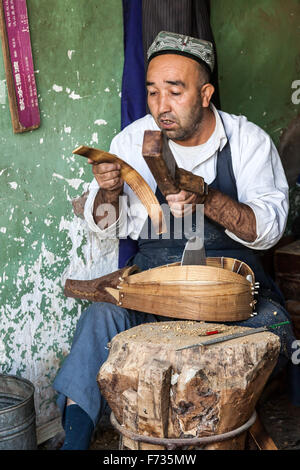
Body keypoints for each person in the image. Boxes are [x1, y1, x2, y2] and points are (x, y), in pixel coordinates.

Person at [53, 31, 295, 450]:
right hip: (153, 288)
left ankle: (218, 435)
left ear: (205, 93)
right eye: (151, 93)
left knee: (272, 331)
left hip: (233, 296)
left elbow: (269, 230)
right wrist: (109, 191)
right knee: (98, 322)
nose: (160, 106)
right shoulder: (132, 141)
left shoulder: (246, 141)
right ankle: (74, 442)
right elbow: (109, 225)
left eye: (175, 91)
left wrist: (208, 197)